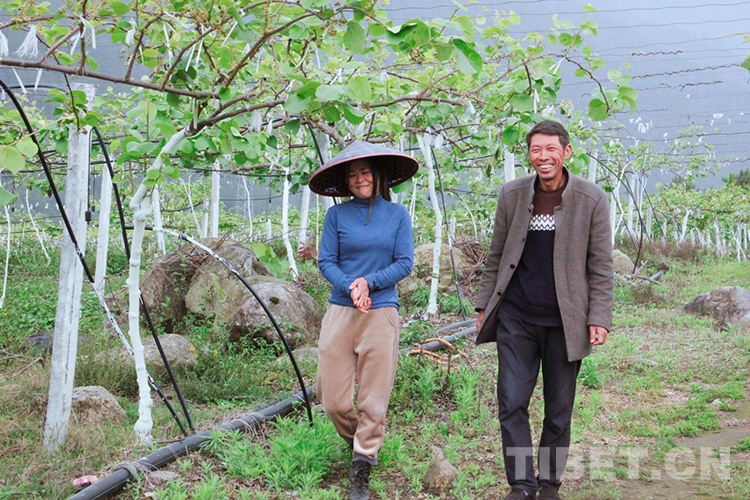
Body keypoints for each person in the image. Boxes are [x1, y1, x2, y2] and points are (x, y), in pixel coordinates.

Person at [474, 120, 614, 500]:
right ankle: (521, 484)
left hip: (565, 322)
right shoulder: (512, 195)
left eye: (551, 149)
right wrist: (484, 304)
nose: (543, 157)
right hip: (516, 317)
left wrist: (599, 317)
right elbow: (496, 256)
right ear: (529, 154)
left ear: (566, 152)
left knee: (559, 408)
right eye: (536, 150)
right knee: (511, 401)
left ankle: (549, 483)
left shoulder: (591, 199)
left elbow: (601, 266)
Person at [308, 140, 418, 500]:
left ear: (378, 175)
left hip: (381, 310)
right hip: (341, 310)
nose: (360, 179)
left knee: (373, 396)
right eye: (353, 175)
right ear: (346, 181)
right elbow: (326, 261)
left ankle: (363, 462)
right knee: (332, 399)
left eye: (365, 172)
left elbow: (404, 262)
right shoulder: (336, 216)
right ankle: (360, 441)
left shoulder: (397, 215)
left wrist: (369, 282)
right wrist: (350, 286)